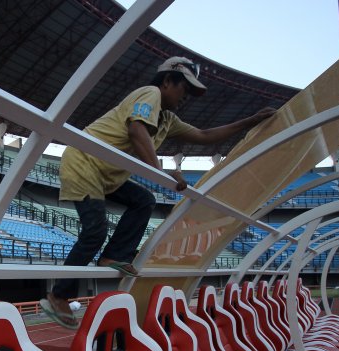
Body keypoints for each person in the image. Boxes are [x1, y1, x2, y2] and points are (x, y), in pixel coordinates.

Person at [40, 56, 276, 329]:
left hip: (107, 174)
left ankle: (113, 255)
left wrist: (251, 121)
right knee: (95, 231)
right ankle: (58, 296)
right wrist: (160, 173)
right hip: (85, 162)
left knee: (143, 200)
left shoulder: (168, 118)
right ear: (167, 81)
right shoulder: (150, 93)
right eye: (183, 88)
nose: (185, 96)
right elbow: (136, 129)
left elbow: (204, 135)